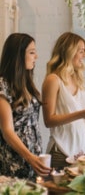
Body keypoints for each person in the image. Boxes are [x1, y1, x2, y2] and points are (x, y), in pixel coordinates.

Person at [42, 32, 85, 169]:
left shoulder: (77, 78)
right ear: (69, 52)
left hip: (82, 152)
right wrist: (81, 114)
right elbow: (48, 121)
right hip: (62, 152)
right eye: (81, 51)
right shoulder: (53, 80)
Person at [0, 33, 51, 180]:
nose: (36, 56)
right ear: (18, 55)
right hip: (14, 163)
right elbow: (7, 130)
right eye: (32, 52)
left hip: (33, 162)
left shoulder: (26, 85)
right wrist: (29, 157)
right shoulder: (3, 86)